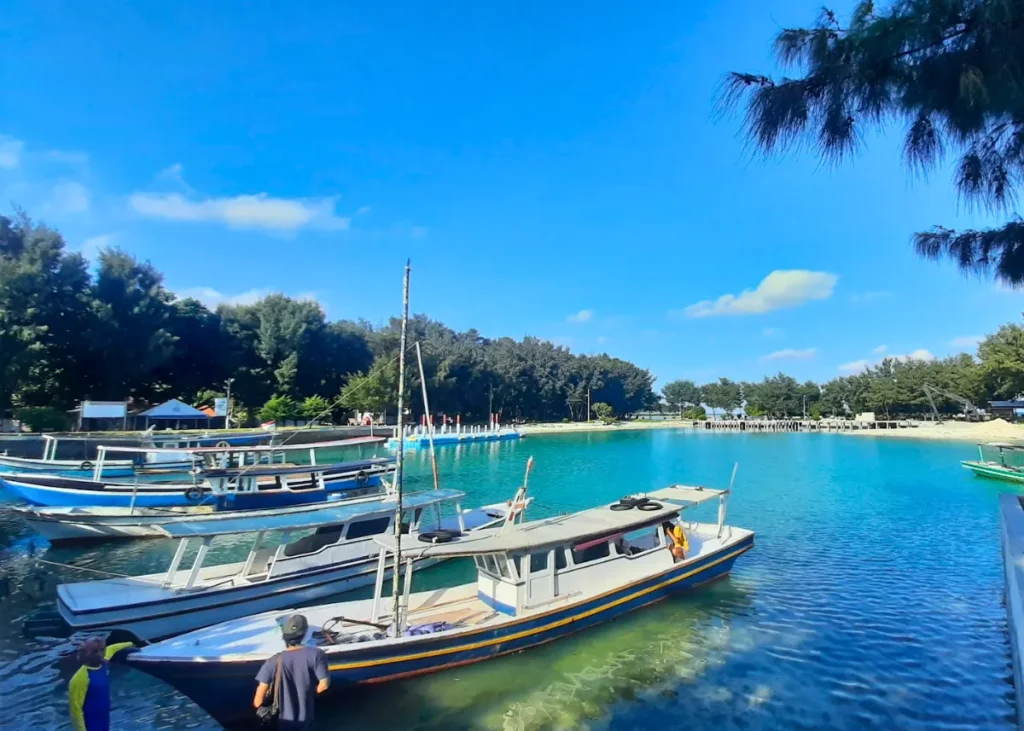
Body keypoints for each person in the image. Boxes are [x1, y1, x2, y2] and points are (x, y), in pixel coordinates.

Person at [253, 614, 329, 731]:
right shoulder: (317, 655)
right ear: (305, 633)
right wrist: (308, 694)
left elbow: (258, 701)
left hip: (283, 725)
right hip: (307, 723)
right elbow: (324, 685)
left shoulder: (272, 661)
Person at [68, 637, 135, 731]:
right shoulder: (80, 678)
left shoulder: (104, 663)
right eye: (95, 651)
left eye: (102, 650)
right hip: (90, 723)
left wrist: (129, 643)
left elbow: (112, 648)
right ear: (85, 654)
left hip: (104, 718)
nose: (100, 654)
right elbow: (76, 710)